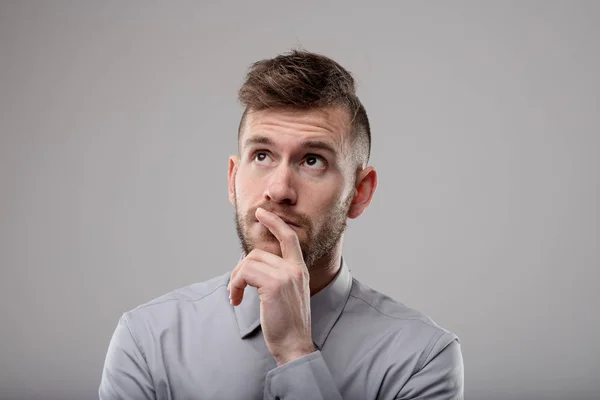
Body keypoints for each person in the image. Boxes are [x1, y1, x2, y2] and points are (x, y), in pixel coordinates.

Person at [99, 49, 464, 400]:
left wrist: (296, 353)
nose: (279, 190)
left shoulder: (422, 357)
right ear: (232, 180)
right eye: (262, 155)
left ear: (360, 193)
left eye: (312, 160)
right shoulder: (147, 340)